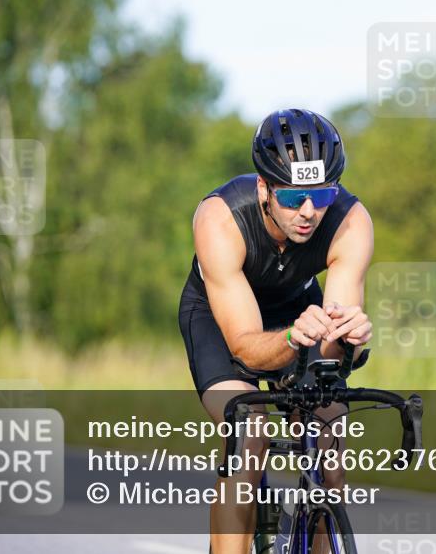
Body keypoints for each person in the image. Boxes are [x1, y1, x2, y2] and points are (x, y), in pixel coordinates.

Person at [177, 108, 373, 554]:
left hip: (298, 308)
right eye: (293, 198)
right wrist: (290, 339)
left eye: (322, 196)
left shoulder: (350, 222)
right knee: (249, 432)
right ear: (264, 188)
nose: (309, 212)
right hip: (219, 316)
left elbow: (336, 348)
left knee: (330, 439)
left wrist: (352, 340)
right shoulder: (220, 219)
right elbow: (245, 349)